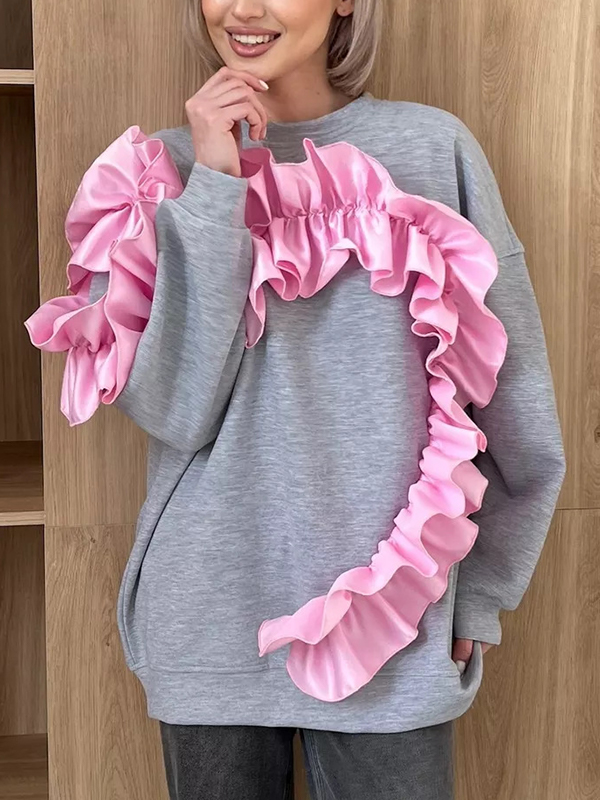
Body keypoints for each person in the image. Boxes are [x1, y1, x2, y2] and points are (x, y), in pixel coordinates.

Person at [24, 1, 567, 798]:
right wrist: (214, 187)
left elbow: (515, 405)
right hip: (210, 619)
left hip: (392, 625)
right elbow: (175, 410)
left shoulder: (433, 148)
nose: (243, 7)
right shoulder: (155, 175)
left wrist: (482, 592)